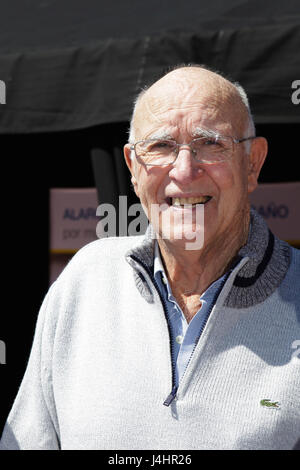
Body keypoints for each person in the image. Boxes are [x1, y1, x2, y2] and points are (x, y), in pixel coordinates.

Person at [1, 65, 299, 450]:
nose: (184, 170)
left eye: (211, 143)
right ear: (133, 169)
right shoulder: (84, 281)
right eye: (160, 146)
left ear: (252, 163)